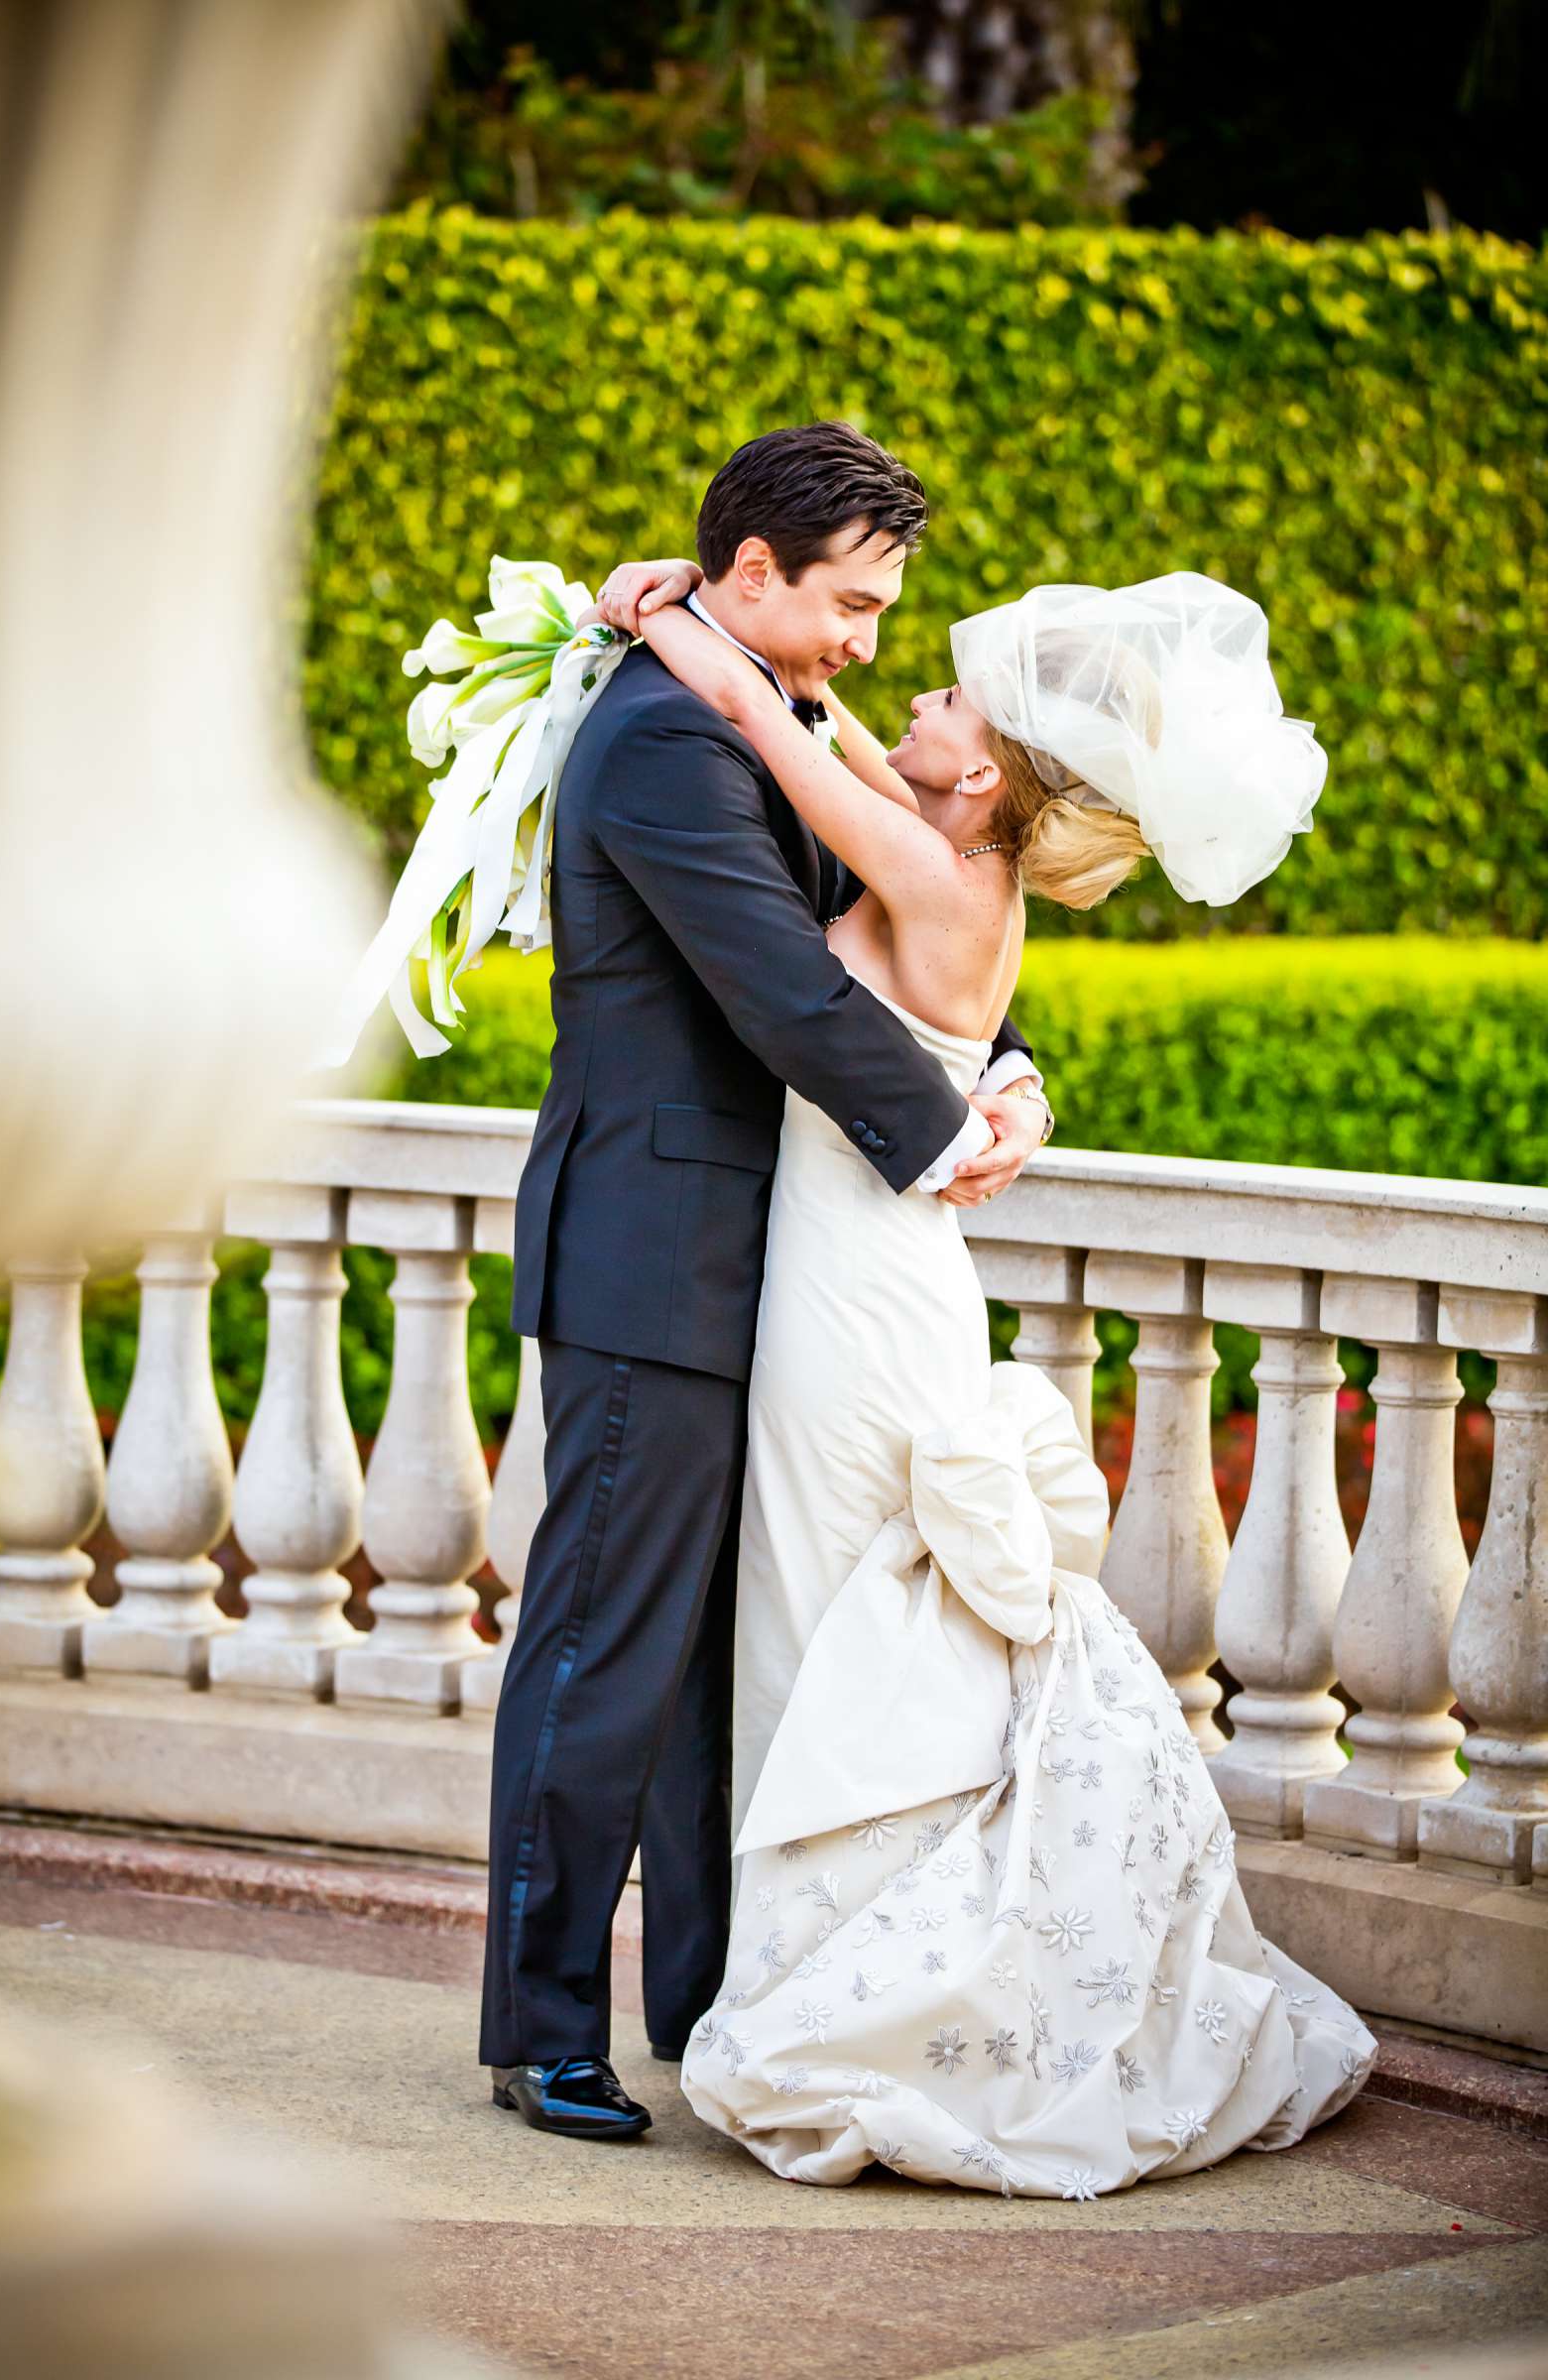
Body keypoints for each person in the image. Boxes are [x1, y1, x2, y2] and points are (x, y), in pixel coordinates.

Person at [592, 555, 1369, 2198]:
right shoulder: (947, 838)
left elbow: (764, 712)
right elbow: (828, 719)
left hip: (852, 1296)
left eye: (946, 701)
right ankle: (816, 1964)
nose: (911, 702)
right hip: (862, 1274)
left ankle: (845, 1988)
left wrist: (652, 615)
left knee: (827, 1602)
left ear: (991, 770)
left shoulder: (938, 875)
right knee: (828, 1600)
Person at [479, 424, 1055, 2143]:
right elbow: (780, 1002)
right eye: (855, 605)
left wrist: (1007, 1067)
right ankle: (542, 2024)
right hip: (656, 1264)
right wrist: (946, 1141)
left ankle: (717, 2001)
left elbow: (901, 944)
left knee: (722, 1673)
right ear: (749, 576)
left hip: (776, 1273)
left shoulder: (777, 714)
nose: (874, 643)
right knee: (604, 1647)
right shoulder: (665, 739)